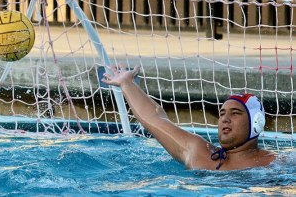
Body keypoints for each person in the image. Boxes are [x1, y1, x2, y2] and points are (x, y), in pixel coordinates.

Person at [101, 64, 276, 170]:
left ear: (256, 123)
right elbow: (156, 119)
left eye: (235, 113)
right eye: (222, 113)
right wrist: (127, 84)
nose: (225, 119)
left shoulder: (274, 164)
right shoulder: (200, 152)